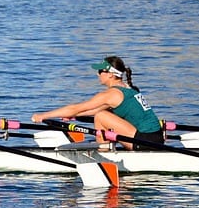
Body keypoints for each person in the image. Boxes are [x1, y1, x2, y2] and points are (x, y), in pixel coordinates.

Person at [33, 55, 162, 146]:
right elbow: (90, 110)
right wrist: (73, 116)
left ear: (111, 74)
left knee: (101, 116)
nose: (97, 74)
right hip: (157, 138)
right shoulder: (129, 88)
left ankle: (104, 152)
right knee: (103, 113)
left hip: (145, 141)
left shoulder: (111, 94)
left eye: (100, 71)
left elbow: (76, 108)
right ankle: (107, 146)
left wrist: (43, 115)